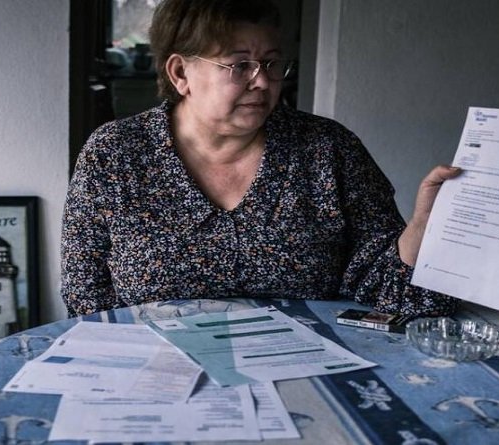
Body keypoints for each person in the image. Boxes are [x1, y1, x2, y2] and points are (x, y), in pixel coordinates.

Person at [60, 0, 461, 318]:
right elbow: (85, 296)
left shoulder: (328, 149)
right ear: (180, 73)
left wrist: (423, 230)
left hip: (308, 367)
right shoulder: (115, 153)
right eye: (240, 66)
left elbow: (393, 294)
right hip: (160, 370)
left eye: (271, 63)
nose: (263, 81)